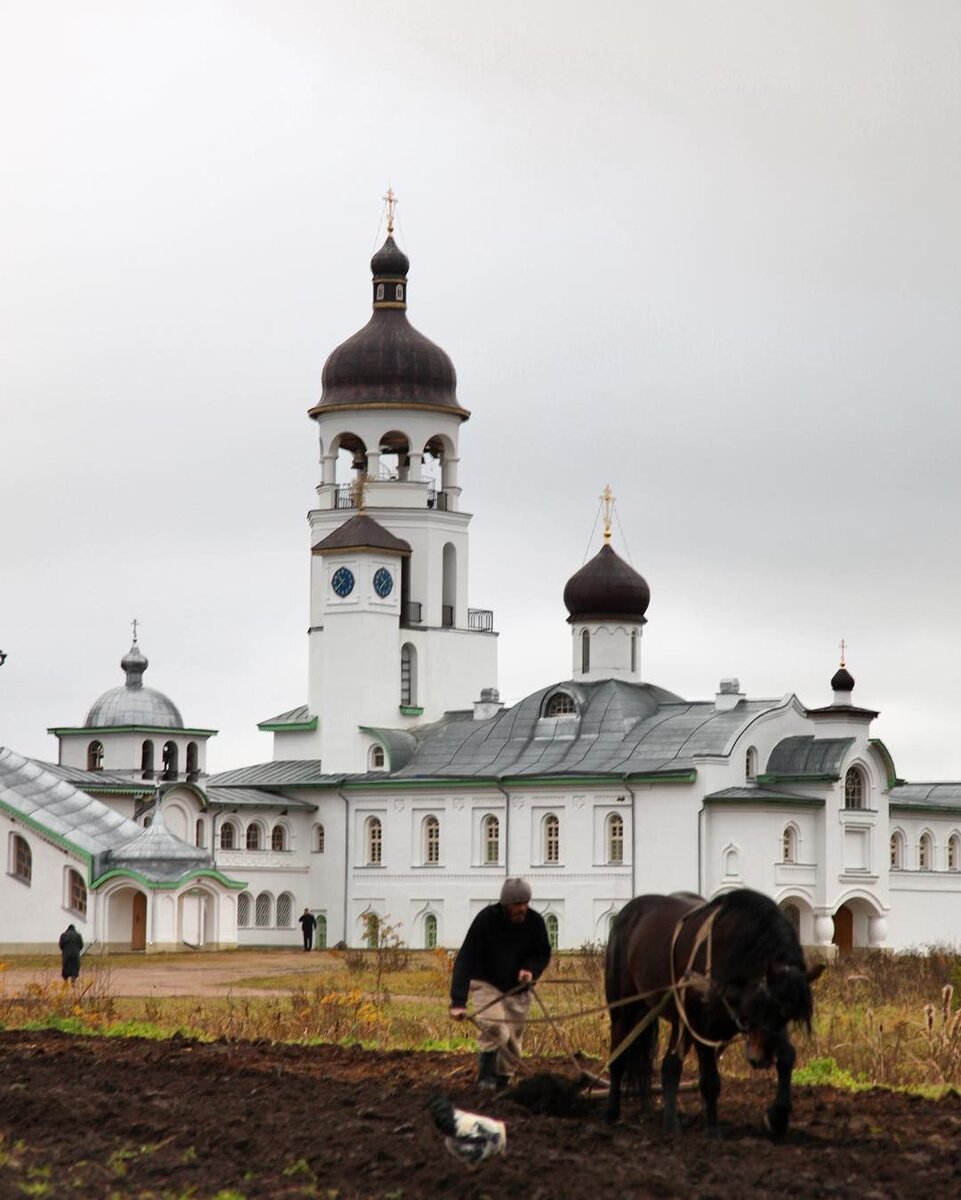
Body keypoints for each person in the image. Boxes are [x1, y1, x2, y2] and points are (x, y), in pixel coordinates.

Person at [449, 877, 551, 1089]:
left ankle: (503, 1082)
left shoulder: (535, 922)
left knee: (513, 1041)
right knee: (495, 1027)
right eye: (517, 904)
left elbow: (542, 953)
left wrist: (530, 970)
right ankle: (486, 1078)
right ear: (506, 905)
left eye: (525, 903)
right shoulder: (486, 920)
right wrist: (458, 1001)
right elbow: (466, 958)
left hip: (518, 988)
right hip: (487, 984)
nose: (522, 908)